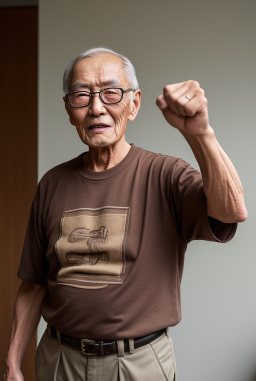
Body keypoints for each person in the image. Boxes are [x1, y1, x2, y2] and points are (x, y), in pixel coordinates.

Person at [3, 47, 247, 381]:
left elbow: (231, 211)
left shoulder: (165, 175)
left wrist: (200, 134)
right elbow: (33, 284)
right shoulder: (52, 183)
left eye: (110, 93)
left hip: (137, 363)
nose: (96, 108)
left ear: (133, 104)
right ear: (68, 108)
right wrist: (12, 362)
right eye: (81, 95)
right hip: (59, 360)